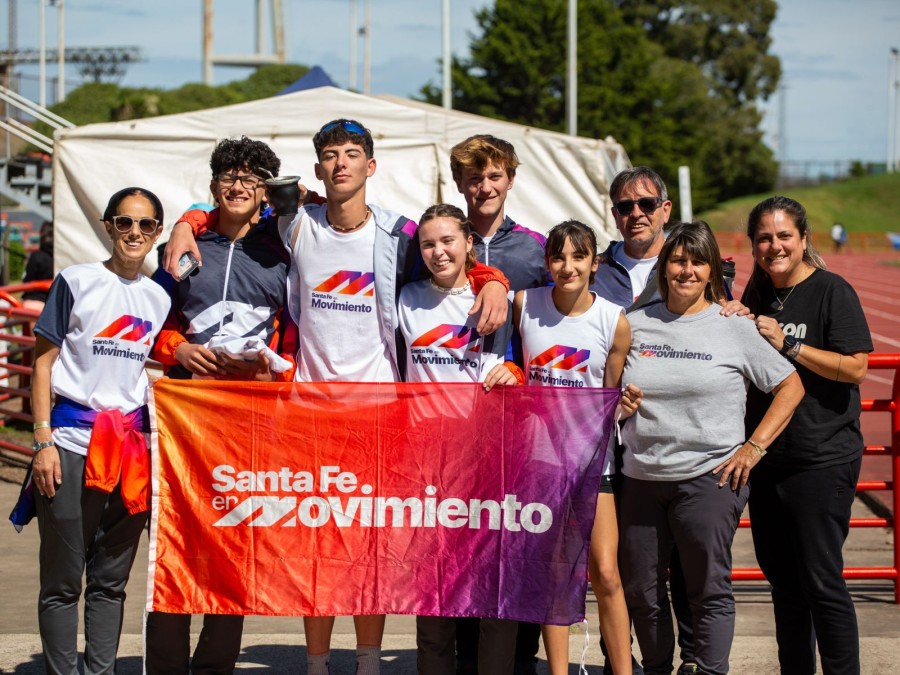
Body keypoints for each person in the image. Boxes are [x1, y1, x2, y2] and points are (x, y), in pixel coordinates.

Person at [163, 119, 510, 675]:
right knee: (319, 550)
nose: (341, 163)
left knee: (369, 550)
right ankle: (318, 663)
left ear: (371, 167)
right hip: (311, 416)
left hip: (377, 417)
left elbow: (451, 253)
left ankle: (368, 662)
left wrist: (493, 278)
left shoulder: (396, 235)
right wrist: (185, 222)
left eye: (352, 154)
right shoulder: (295, 223)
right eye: (330, 155)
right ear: (319, 169)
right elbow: (230, 212)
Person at [617, 221, 804, 675]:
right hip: (642, 478)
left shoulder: (731, 326)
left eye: (697, 261)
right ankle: (658, 667)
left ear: (710, 270)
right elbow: (606, 398)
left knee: (708, 589)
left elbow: (790, 386)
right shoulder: (634, 325)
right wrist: (619, 407)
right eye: (677, 260)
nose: (686, 270)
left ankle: (709, 669)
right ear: (663, 268)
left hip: (709, 478)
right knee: (642, 592)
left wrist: (754, 448)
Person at [144, 137, 292, 675]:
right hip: (185, 420)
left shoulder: (283, 255)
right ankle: (163, 667)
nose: (238, 185)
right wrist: (175, 349)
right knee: (174, 543)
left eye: (251, 178)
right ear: (213, 187)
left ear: (264, 194)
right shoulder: (183, 250)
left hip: (251, 423)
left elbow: (298, 342)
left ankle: (216, 668)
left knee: (231, 551)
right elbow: (149, 323)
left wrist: (273, 371)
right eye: (229, 176)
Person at [29, 187, 170, 674]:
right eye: (125, 222)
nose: (135, 233)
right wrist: (42, 440)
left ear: (156, 233)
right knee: (63, 582)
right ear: (109, 226)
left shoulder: (158, 297)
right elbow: (42, 365)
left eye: (146, 225)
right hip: (69, 445)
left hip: (131, 451)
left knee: (111, 582)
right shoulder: (75, 280)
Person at [742, 196, 872, 675]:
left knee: (822, 581)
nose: (774, 246)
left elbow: (855, 368)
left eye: (783, 236)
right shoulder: (756, 294)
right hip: (769, 460)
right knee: (783, 584)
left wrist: (790, 344)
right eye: (764, 238)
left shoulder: (831, 291)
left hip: (822, 459)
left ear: (802, 239)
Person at [513, 220, 641, 675]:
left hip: (593, 464)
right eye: (558, 257)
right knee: (554, 573)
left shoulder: (613, 320)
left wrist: (625, 407)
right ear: (547, 261)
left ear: (593, 262)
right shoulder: (525, 305)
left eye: (578, 257)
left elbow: (611, 401)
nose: (567, 267)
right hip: (540, 464)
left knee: (606, 573)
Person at [399, 203, 520, 675]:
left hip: (488, 459)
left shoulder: (496, 297)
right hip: (426, 462)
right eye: (428, 243)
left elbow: (523, 357)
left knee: (493, 582)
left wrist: (513, 372)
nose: (438, 251)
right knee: (433, 586)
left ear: (469, 242)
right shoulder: (405, 296)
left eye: (448, 240)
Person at [448, 133, 549, 675]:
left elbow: (569, 317)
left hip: (520, 421)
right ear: (459, 184)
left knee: (522, 540)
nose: (484, 186)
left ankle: (521, 659)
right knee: (464, 544)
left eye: (493, 176)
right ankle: (468, 658)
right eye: (473, 177)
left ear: (510, 179)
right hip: (455, 423)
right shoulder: (439, 240)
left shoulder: (536, 247)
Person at [22, 220, 54, 311]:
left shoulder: (37, 256)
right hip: (54, 300)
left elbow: (27, 281)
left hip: (35, 300)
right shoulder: (60, 257)